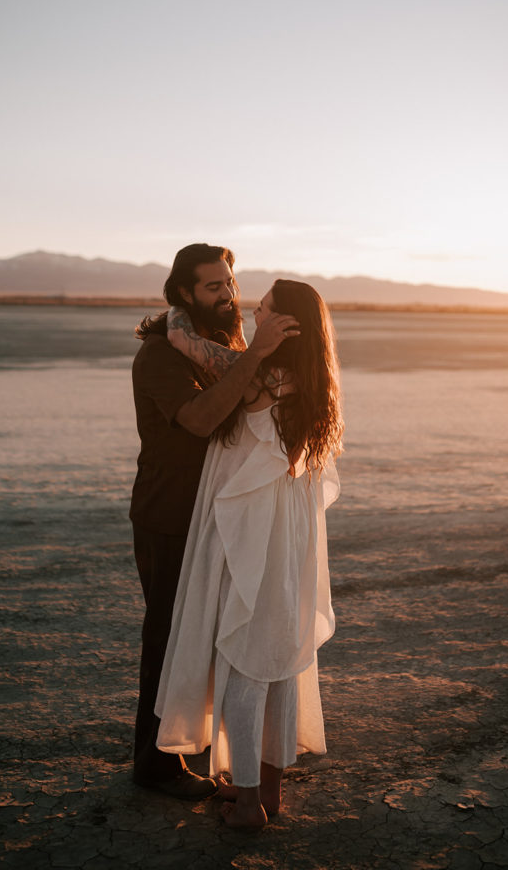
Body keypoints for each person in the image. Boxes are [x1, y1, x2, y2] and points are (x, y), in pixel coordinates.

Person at [155, 279, 343, 826]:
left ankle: (247, 803)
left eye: (262, 310)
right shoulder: (313, 383)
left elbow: (190, 345)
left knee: (243, 661)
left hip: (253, 540)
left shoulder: (258, 377)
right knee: (281, 662)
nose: (250, 314)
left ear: (284, 325)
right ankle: (269, 794)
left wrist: (176, 318)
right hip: (288, 541)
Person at [130, 245, 299, 799]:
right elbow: (203, 420)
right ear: (183, 292)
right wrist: (257, 358)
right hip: (171, 513)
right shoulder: (162, 354)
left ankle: (205, 755)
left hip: (220, 510)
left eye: (230, 283)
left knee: (210, 635)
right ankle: (155, 767)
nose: (228, 296)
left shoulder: (222, 348)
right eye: (213, 288)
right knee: (170, 635)